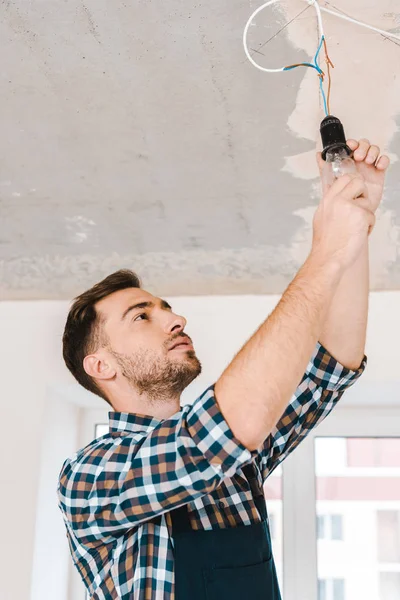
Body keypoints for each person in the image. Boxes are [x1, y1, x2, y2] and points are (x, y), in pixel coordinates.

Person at [58, 139, 389, 600]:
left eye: (166, 309)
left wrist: (355, 232)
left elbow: (331, 366)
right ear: (101, 366)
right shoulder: (91, 476)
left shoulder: (235, 466)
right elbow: (217, 434)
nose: (176, 319)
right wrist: (326, 248)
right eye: (142, 316)